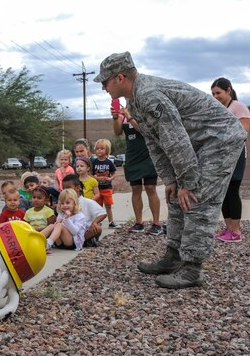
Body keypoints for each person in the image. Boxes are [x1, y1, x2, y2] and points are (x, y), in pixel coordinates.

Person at [95, 51, 246, 289]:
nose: (103, 87)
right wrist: (171, 180)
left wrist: (187, 182)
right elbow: (155, 141)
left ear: (120, 77)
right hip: (198, 141)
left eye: (105, 81)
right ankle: (173, 256)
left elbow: (175, 140)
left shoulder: (149, 95)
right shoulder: (135, 100)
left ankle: (192, 268)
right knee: (176, 196)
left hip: (220, 139)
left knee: (196, 198)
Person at [111, 101, 162, 236]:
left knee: (151, 188)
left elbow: (145, 131)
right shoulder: (124, 111)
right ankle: (139, 223)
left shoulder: (145, 110)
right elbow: (117, 132)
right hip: (132, 155)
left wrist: (130, 117)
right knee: (136, 188)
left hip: (148, 154)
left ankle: (156, 223)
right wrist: (116, 117)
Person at [211, 77, 250, 243]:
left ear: (228, 90)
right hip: (221, 155)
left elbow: (244, 130)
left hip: (235, 155)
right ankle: (227, 228)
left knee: (233, 191)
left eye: (218, 92)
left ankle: (236, 231)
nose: (215, 96)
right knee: (223, 191)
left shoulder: (238, 107)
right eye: (213, 94)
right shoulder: (219, 108)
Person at [91, 139, 118, 228]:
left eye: (102, 148)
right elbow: (91, 175)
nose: (99, 150)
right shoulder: (93, 162)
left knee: (108, 206)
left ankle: (111, 221)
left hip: (107, 188)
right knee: (98, 207)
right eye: (97, 148)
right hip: (97, 189)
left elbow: (114, 174)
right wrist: (96, 178)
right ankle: (98, 222)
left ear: (106, 150)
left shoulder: (109, 162)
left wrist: (110, 178)